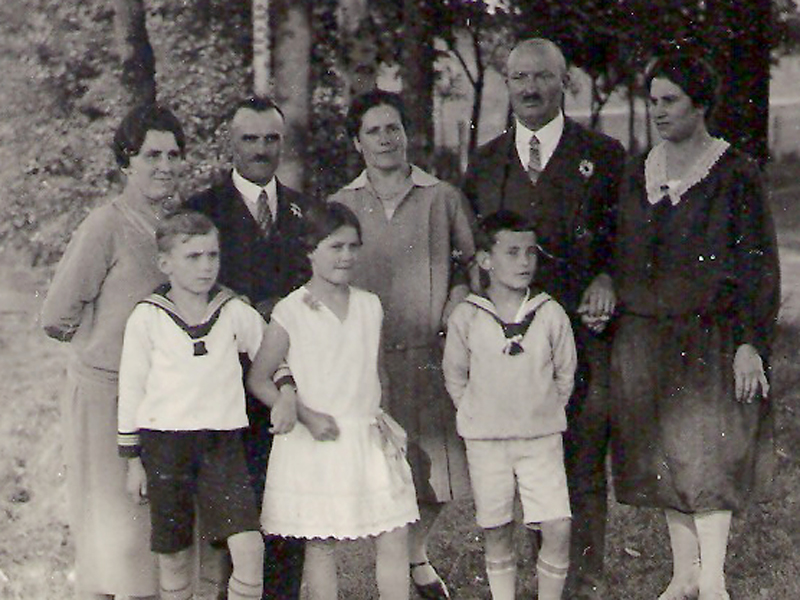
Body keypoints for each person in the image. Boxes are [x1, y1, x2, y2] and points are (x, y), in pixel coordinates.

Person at [610, 54, 780, 600]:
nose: (658, 111)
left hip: (712, 337)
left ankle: (713, 580)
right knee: (663, 459)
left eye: (670, 101)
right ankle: (684, 575)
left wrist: (751, 342)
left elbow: (759, 265)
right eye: (653, 100)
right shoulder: (640, 172)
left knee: (707, 456)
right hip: (646, 338)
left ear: (700, 105)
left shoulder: (734, 173)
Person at [463, 37, 625, 599]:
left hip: (582, 338)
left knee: (579, 464)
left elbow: (625, 242)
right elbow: (474, 253)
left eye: (541, 77)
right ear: (507, 86)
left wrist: (608, 278)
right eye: (518, 79)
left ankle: (580, 585)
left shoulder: (604, 157)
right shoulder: (485, 163)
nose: (529, 89)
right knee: (519, 467)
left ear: (565, 83)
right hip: (511, 349)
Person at [329, 90, 476, 599]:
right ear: (357, 142)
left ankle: (415, 555)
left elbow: (468, 267)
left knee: (436, 470)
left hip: (429, 353)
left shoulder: (442, 197)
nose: (386, 139)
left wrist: (456, 301)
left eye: (394, 128)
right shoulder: (342, 205)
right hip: (366, 360)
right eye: (374, 130)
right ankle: (403, 566)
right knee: (381, 472)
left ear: (408, 134)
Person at [41, 103, 186, 600]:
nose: (163, 166)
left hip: (155, 401)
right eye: (151, 155)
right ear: (127, 162)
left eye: (173, 154)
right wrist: (102, 348)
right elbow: (56, 314)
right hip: (105, 398)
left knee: (146, 542)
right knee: (112, 545)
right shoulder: (106, 224)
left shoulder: (173, 228)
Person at [246, 202, 420, 600]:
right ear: (309, 249)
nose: (346, 256)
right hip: (316, 439)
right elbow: (258, 378)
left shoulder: (369, 304)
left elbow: (376, 374)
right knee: (321, 544)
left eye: (353, 247)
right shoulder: (291, 310)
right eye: (335, 247)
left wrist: (384, 420)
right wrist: (303, 413)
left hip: (365, 435)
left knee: (394, 534)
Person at [186, 96, 317, 599]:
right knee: (232, 521)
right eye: (250, 139)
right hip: (223, 388)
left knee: (288, 512)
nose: (261, 149)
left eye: (271, 139)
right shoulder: (203, 210)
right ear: (230, 144)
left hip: (287, 382)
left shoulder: (306, 210)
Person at [118, 211, 266, 600]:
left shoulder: (233, 310)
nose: (206, 266)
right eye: (193, 257)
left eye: (212, 256)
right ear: (165, 263)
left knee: (249, 546)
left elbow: (272, 355)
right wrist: (133, 461)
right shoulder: (147, 317)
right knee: (173, 554)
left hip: (223, 446)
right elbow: (131, 388)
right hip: (164, 445)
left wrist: (284, 390)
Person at [443, 211, 577, 600]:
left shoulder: (549, 313)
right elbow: (456, 375)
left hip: (540, 439)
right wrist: (476, 413)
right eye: (512, 252)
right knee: (498, 528)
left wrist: (543, 409)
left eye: (531, 253)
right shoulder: (468, 316)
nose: (524, 262)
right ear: (486, 260)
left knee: (557, 527)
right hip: (487, 442)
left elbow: (564, 373)